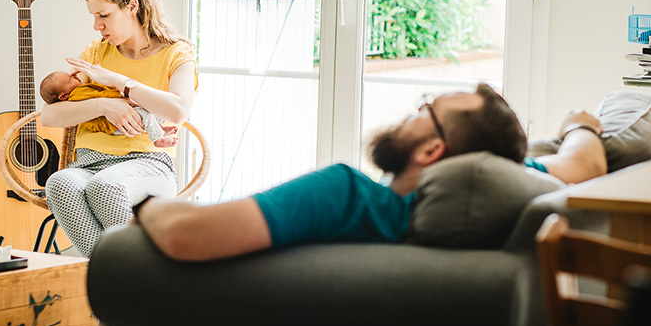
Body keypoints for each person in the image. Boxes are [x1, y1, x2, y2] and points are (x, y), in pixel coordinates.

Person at [128, 83, 607, 262]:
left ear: (433, 149)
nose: (411, 111)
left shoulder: (346, 195)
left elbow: (186, 235)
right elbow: (586, 163)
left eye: (425, 108)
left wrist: (146, 208)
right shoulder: (495, 185)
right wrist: (580, 123)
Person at [40, 0, 198, 258]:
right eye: (93, 16)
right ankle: (120, 275)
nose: (96, 25)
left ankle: (128, 277)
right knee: (59, 182)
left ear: (132, 7)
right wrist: (104, 105)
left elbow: (178, 110)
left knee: (105, 186)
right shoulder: (96, 52)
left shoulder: (177, 53)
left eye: (104, 15)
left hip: (149, 164)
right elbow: (50, 114)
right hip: (89, 162)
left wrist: (120, 82)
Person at [39, 70, 178, 148]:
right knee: (145, 114)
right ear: (63, 96)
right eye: (70, 79)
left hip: (115, 122)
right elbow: (102, 94)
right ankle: (157, 139)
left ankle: (157, 129)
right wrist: (122, 93)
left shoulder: (77, 92)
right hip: (111, 124)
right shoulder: (78, 94)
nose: (75, 76)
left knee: (148, 114)